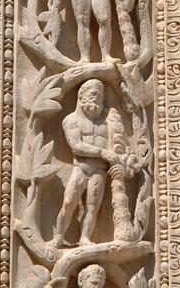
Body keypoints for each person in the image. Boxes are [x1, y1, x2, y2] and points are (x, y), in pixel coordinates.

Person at [50, 80, 118, 248]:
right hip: (81, 167)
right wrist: (102, 152)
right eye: (94, 94)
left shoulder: (107, 120)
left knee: (93, 206)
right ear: (82, 95)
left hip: (100, 170)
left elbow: (117, 142)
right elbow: (76, 146)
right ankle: (58, 237)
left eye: (101, 96)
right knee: (68, 202)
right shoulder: (71, 120)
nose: (98, 99)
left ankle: (85, 238)